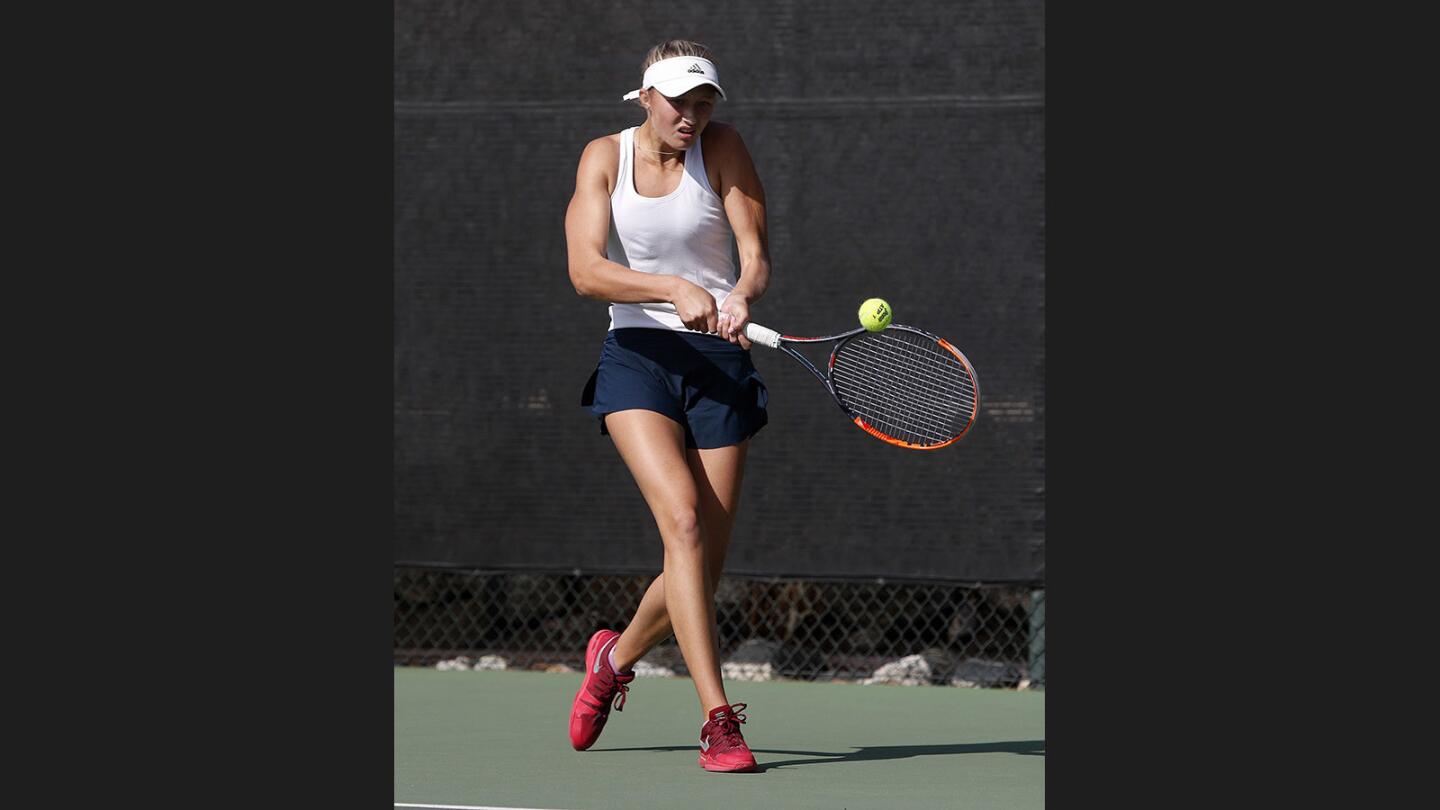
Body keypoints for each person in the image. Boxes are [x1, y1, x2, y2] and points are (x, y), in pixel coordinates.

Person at [563, 39, 771, 774]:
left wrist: (739, 294)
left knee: (701, 563)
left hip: (720, 362)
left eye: (705, 101)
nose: (694, 114)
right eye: (680, 100)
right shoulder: (603, 157)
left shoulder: (725, 148)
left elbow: (753, 250)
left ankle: (612, 658)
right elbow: (586, 270)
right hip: (639, 360)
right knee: (680, 521)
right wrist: (670, 288)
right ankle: (718, 719)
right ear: (645, 96)